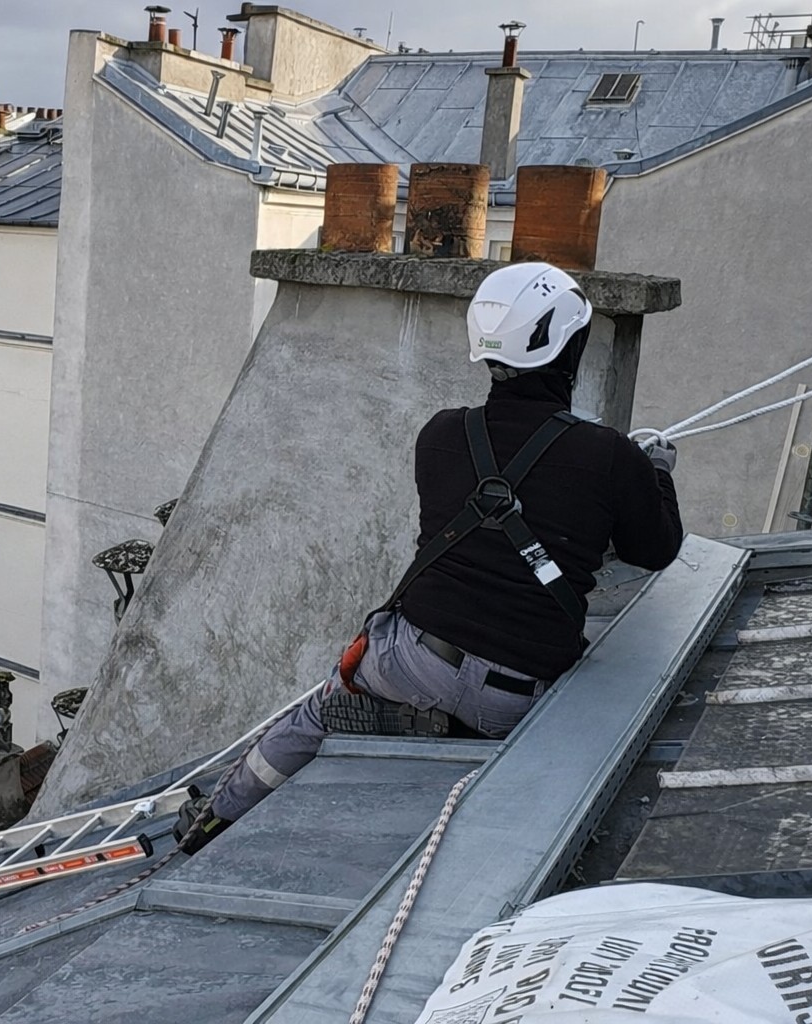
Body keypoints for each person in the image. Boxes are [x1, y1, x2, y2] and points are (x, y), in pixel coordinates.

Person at [176, 262, 685, 854]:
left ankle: (212, 823)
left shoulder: (440, 435)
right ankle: (456, 727)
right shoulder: (610, 456)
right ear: (571, 348)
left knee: (317, 715)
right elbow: (656, 549)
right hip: (516, 695)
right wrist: (655, 473)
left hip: (413, 661)